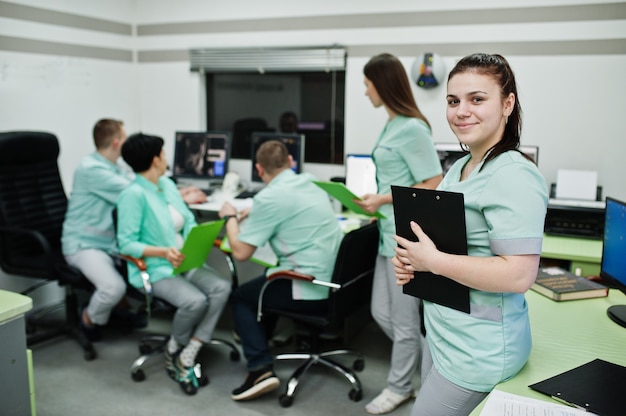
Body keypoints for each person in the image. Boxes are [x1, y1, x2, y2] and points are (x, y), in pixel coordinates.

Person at [392, 53, 549, 415]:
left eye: (477, 99)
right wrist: (415, 264)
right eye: (453, 101)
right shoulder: (461, 166)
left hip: (479, 350)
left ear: (507, 104)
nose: (461, 111)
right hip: (445, 332)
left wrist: (433, 260)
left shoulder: (514, 175)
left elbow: (518, 274)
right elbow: (447, 247)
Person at [218, 140, 343, 401]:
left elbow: (241, 253)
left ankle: (259, 368)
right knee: (265, 282)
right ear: (291, 162)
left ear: (259, 170)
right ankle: (263, 343)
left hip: (309, 287)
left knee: (242, 296)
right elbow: (287, 206)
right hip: (334, 282)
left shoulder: (269, 197)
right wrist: (258, 209)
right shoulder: (309, 180)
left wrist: (230, 216)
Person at [354, 53, 443, 415]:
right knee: (381, 313)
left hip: (404, 238)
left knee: (406, 324)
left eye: (367, 84)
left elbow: (433, 182)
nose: (365, 91)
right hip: (385, 234)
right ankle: (434, 371)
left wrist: (382, 198)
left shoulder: (413, 128)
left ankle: (399, 387)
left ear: (383, 84)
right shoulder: (391, 125)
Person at [62, 119, 207, 341]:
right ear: (118, 143)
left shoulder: (115, 167)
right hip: (86, 243)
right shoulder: (91, 170)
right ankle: (88, 319)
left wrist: (174, 192)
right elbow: (137, 189)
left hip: (111, 243)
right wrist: (180, 195)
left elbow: (145, 183)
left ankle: (118, 313)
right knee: (113, 288)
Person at [116, 133, 231, 396]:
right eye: (163, 153)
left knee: (221, 288)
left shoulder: (166, 185)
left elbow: (188, 220)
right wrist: (163, 252)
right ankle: (173, 349)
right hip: (155, 269)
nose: (166, 157)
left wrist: (197, 239)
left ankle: (188, 352)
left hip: (185, 260)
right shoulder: (133, 195)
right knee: (195, 302)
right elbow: (126, 244)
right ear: (155, 159)